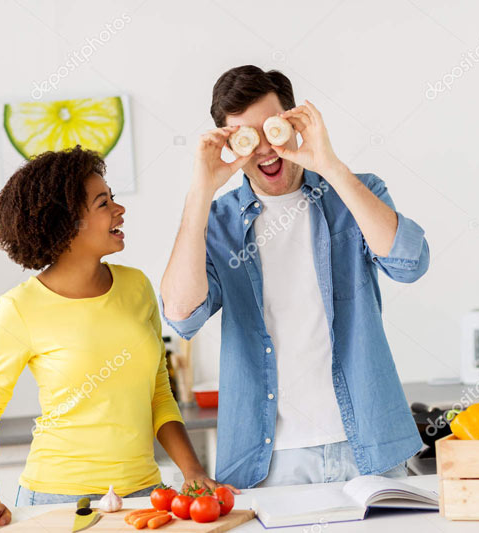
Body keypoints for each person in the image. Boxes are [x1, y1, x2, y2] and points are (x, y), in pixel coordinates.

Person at [161, 65, 429, 489]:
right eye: (245, 137)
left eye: (273, 129)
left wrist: (330, 164)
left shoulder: (355, 193)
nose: (265, 149)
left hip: (371, 447)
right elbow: (181, 316)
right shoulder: (218, 222)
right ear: (229, 145)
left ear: (292, 121)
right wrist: (201, 192)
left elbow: (409, 263)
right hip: (267, 461)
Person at [0, 147, 234, 532]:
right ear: (67, 222)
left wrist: (192, 471)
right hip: (55, 500)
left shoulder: (136, 286)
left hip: (144, 495)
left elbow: (159, 395)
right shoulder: (19, 308)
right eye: (104, 202)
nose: (120, 210)